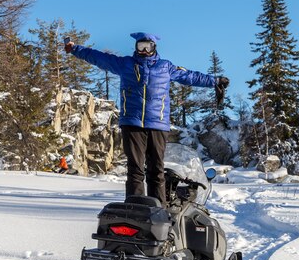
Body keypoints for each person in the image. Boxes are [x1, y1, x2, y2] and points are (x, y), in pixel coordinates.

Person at [65, 32, 229, 205]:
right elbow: (99, 57)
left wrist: (215, 81)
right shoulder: (125, 64)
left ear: (154, 47)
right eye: (140, 46)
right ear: (136, 47)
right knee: (135, 168)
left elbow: (190, 76)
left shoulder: (165, 67)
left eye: (147, 47)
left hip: (158, 124)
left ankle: (158, 208)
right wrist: (76, 49)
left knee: (156, 169)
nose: (143, 50)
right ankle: (134, 207)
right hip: (132, 123)